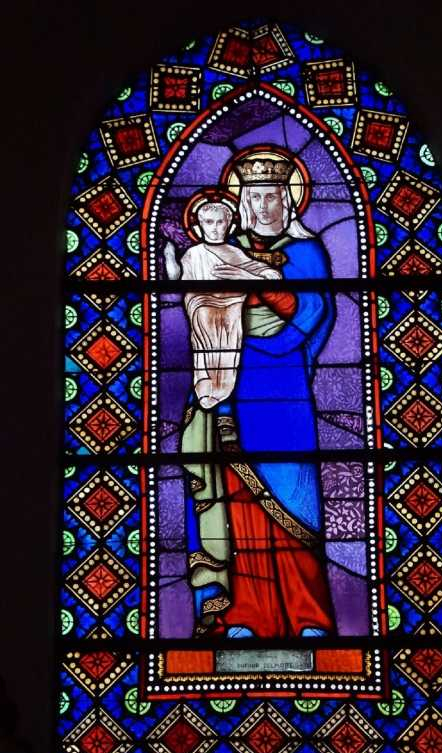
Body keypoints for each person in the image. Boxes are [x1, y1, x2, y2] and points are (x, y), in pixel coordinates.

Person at [176, 151, 337, 639]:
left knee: (295, 498)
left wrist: (266, 298)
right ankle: (246, 614)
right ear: (242, 203)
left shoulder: (307, 253)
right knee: (236, 500)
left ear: (287, 201)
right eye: (255, 197)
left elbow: (313, 312)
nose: (264, 206)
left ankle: (309, 617)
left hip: (284, 387)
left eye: (273, 196)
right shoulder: (223, 247)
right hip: (231, 378)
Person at [163, 194, 281, 410]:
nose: (215, 228)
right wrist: (170, 258)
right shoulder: (193, 254)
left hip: (233, 307)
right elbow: (176, 281)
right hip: (201, 305)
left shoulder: (235, 253)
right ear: (200, 226)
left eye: (220, 222)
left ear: (229, 225)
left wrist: (245, 276)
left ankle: (222, 389)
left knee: (229, 349)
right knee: (205, 330)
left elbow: (273, 277)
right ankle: (205, 383)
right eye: (209, 222)